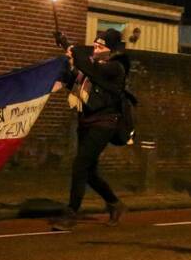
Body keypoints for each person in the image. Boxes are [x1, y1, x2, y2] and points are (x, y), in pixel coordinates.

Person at [51, 29, 131, 230]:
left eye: (100, 46)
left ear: (110, 50)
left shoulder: (115, 68)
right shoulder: (92, 68)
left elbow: (91, 69)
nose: (95, 49)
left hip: (104, 123)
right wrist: (67, 58)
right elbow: (75, 80)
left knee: (80, 165)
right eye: (94, 45)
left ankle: (71, 214)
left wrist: (70, 46)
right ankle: (115, 203)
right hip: (86, 122)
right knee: (89, 172)